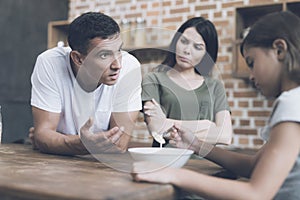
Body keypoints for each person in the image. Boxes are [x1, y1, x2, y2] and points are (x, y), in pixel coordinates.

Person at [132, 11, 300, 199]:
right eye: (184, 42)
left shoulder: (292, 104)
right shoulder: (294, 102)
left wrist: (173, 174)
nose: (251, 75)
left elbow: (256, 194)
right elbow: (253, 165)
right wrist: (197, 144)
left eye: (251, 63)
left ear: (279, 50)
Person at [30, 12, 142, 155]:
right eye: (104, 55)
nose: (117, 65)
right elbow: (43, 136)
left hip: (100, 169)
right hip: (56, 166)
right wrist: (49, 140)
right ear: (78, 58)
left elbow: (118, 145)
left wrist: (59, 142)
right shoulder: (50, 63)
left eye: (119, 50)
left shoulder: (130, 67)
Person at [142, 17, 232, 147]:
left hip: (204, 164)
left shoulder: (215, 86)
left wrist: (166, 122)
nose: (187, 50)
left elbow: (225, 136)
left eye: (197, 47)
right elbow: (156, 128)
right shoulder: (153, 79)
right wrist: (207, 126)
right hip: (164, 159)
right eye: (183, 41)